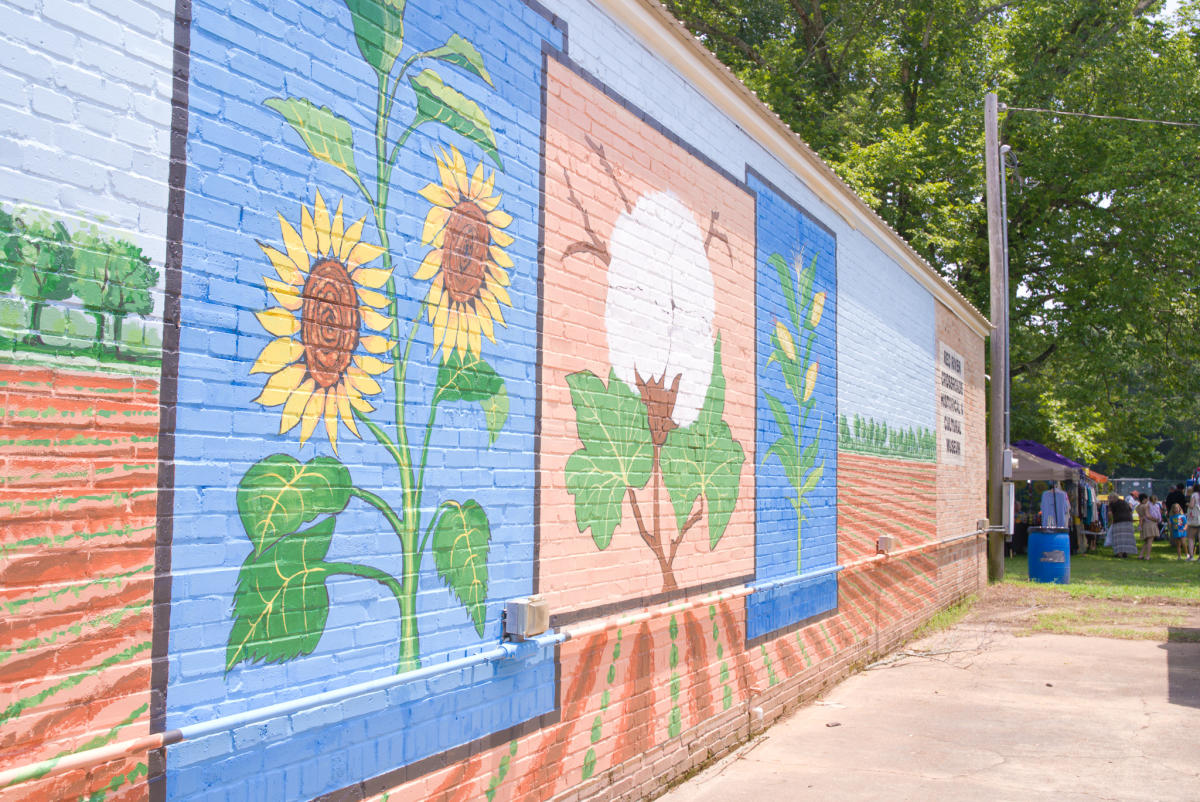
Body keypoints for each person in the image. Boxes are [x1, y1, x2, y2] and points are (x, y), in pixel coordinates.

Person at [1137, 494, 1160, 560]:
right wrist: (1155, 519)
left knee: (1147, 541)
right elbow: (1148, 515)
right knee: (1150, 541)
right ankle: (1148, 556)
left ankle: (1141, 555)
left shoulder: (1138, 506)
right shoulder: (1146, 506)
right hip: (1149, 524)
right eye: (1146, 499)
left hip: (1144, 524)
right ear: (1144, 499)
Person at [1188, 485, 1200, 561]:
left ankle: (1191, 556)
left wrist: (1187, 504)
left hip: (1195, 519)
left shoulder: (1194, 495)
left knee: (1190, 538)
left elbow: (1192, 505)